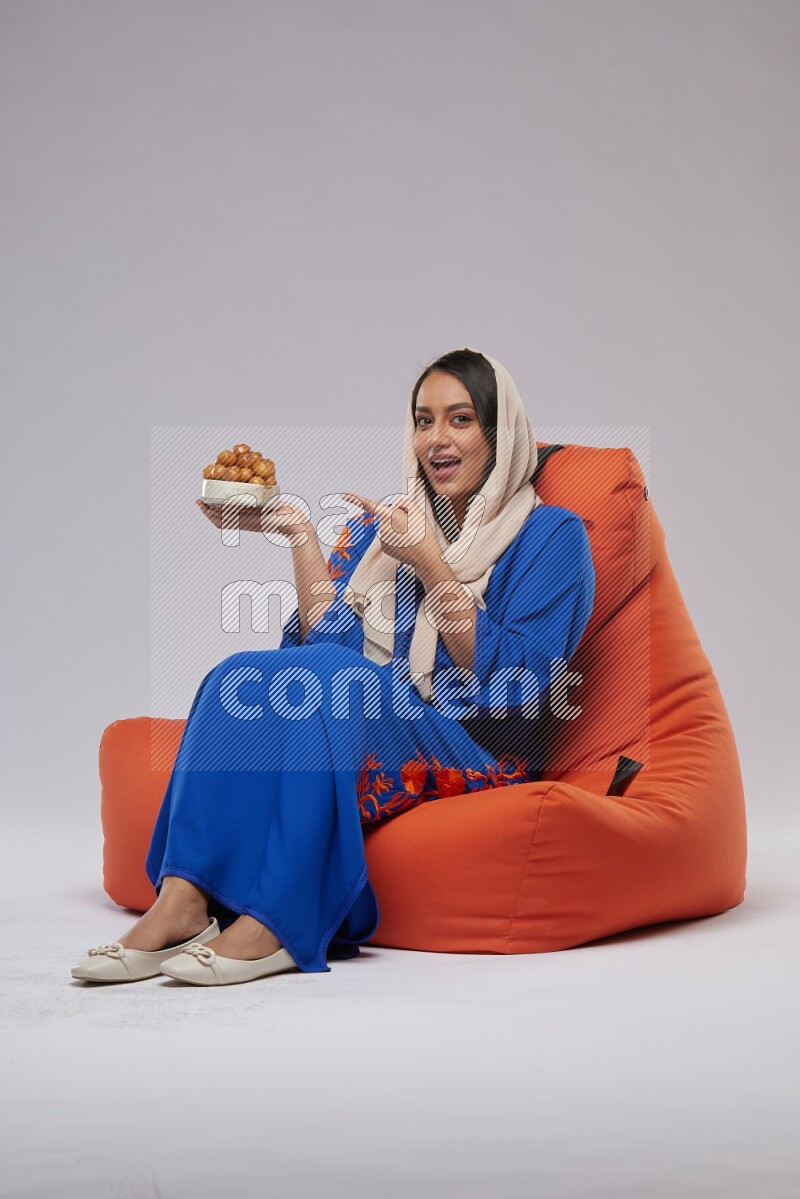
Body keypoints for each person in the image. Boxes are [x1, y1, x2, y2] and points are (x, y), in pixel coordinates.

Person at [71, 347, 595, 987]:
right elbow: (327, 649)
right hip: (377, 714)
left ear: (500, 433)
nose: (436, 439)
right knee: (236, 675)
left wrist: (431, 566)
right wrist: (299, 535)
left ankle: (279, 922)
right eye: (423, 421)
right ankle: (181, 901)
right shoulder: (390, 533)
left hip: (478, 746)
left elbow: (521, 685)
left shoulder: (552, 535)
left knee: (331, 680)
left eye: (460, 419)